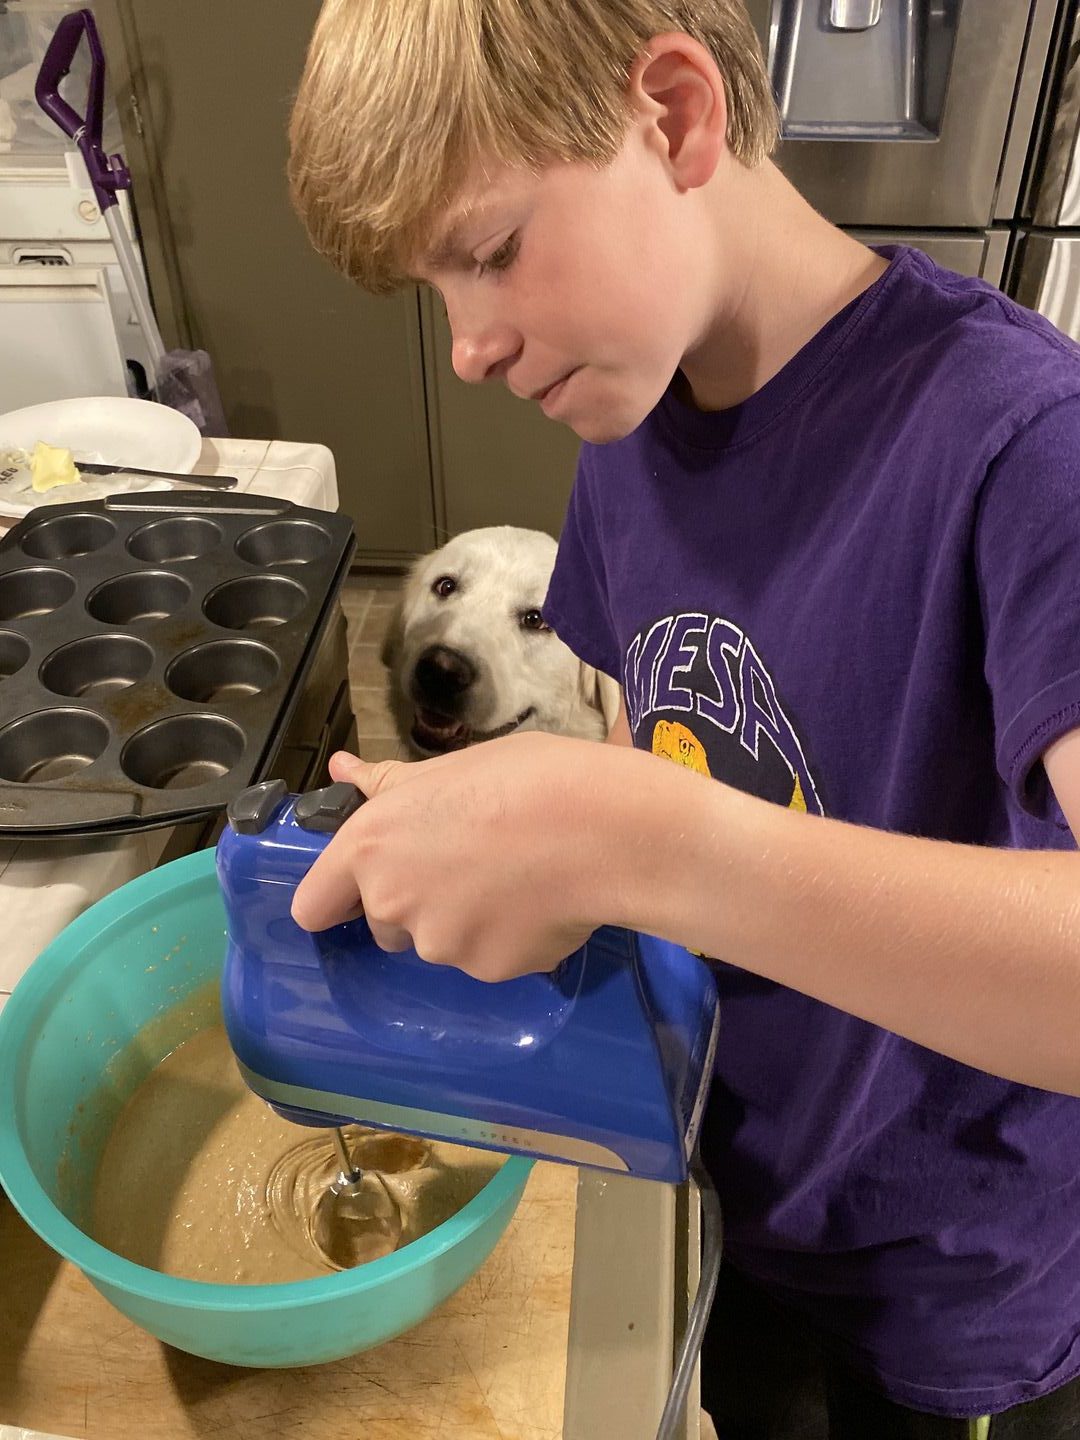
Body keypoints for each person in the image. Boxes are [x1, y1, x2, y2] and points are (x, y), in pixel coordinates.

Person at [284, 2, 1080, 1434]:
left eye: (489, 252)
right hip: (724, 1182)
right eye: (435, 291)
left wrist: (641, 842)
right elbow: (656, 759)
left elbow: (666, 826)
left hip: (953, 1281)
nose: (467, 347)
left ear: (673, 115)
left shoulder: (1024, 442)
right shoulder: (634, 435)